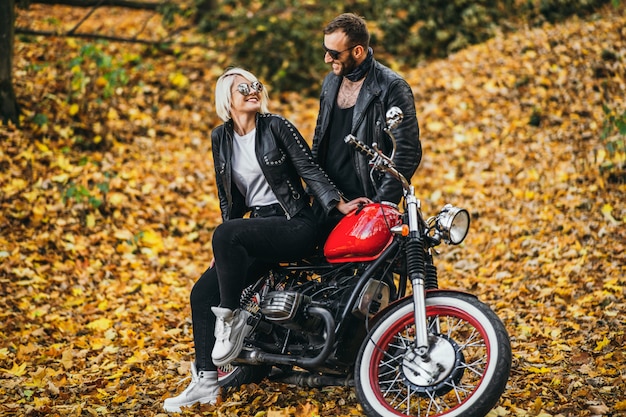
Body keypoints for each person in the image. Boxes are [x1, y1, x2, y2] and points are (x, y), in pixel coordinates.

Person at [163, 67, 368, 413]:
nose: (252, 91)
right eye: (243, 87)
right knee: (202, 292)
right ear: (226, 99)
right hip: (256, 229)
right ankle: (207, 382)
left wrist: (338, 203)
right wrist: (223, 249)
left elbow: (309, 169)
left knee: (225, 235)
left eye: (256, 85)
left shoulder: (276, 127)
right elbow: (229, 199)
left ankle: (229, 320)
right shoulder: (220, 138)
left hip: (294, 224)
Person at [311, 13, 422, 237]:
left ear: (357, 51)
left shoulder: (391, 86)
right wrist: (318, 192)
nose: (326, 59)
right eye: (325, 50)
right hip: (331, 203)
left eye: (334, 53)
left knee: (372, 273)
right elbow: (319, 138)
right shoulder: (331, 81)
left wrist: (379, 207)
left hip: (367, 205)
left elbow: (407, 152)